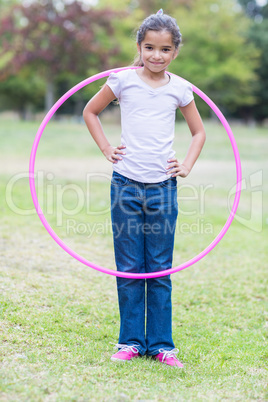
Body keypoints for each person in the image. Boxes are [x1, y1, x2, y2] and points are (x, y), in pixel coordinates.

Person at [83, 9, 206, 368]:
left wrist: (186, 164)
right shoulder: (122, 80)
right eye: (150, 47)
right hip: (125, 185)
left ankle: (163, 345)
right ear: (139, 46)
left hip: (163, 188)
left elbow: (199, 132)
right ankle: (131, 341)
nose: (156, 55)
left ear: (175, 52)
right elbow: (90, 111)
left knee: (159, 267)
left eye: (165, 49)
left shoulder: (181, 88)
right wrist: (107, 148)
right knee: (130, 266)